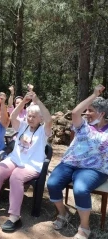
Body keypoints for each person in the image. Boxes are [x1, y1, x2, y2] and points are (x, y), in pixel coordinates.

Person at [0, 92, 52, 233]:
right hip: (15, 159)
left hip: (31, 164)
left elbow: (48, 119)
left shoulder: (44, 130)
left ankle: (14, 217)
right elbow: (12, 117)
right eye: (29, 115)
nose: (30, 118)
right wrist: (23, 101)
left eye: (34, 116)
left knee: (16, 177)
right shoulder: (23, 125)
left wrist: (37, 100)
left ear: (40, 118)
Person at [47, 85, 108, 239]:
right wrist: (93, 94)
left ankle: (84, 227)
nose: (87, 113)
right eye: (86, 110)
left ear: (102, 114)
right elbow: (75, 112)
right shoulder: (83, 126)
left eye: (91, 110)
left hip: (94, 168)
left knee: (80, 189)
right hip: (70, 163)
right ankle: (63, 213)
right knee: (52, 183)